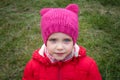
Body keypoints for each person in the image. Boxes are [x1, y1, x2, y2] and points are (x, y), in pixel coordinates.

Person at [22, 4, 102, 80]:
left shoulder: (88, 66)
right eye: (53, 40)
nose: (60, 47)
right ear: (45, 41)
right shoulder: (33, 66)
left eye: (66, 40)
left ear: (74, 41)